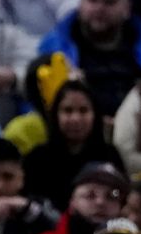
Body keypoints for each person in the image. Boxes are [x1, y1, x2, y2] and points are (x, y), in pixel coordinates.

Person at [39, 0, 141, 120]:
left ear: (127, 8)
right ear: (80, 3)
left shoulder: (140, 41)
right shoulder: (54, 46)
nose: (99, 8)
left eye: (110, 2)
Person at [24, 80, 126, 210]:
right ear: (56, 115)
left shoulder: (109, 157)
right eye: (68, 110)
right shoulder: (37, 159)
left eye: (83, 110)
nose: (75, 118)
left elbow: (119, 196)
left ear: (95, 115)